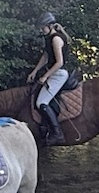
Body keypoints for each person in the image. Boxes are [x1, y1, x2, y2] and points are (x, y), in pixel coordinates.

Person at [24, 13, 77, 144]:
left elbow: (59, 62)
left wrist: (45, 76)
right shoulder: (49, 38)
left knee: (41, 103)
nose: (41, 30)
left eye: (43, 27)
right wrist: (35, 71)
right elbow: (46, 56)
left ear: (50, 26)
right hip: (54, 73)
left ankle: (57, 133)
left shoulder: (56, 39)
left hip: (59, 74)